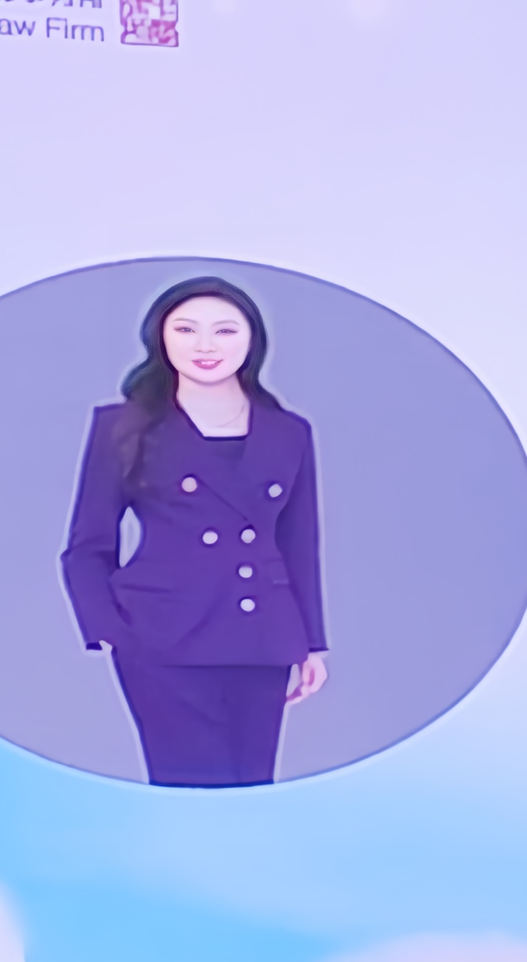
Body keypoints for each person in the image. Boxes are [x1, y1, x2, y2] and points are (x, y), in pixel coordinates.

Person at [60, 276, 328, 787]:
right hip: (161, 637)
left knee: (251, 787)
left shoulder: (289, 432)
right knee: (184, 786)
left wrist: (311, 642)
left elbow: (299, 544)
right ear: (159, 337)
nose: (205, 346)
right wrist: (111, 633)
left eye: (224, 331)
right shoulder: (125, 426)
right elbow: (87, 546)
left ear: (252, 340)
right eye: (186, 330)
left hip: (262, 636)